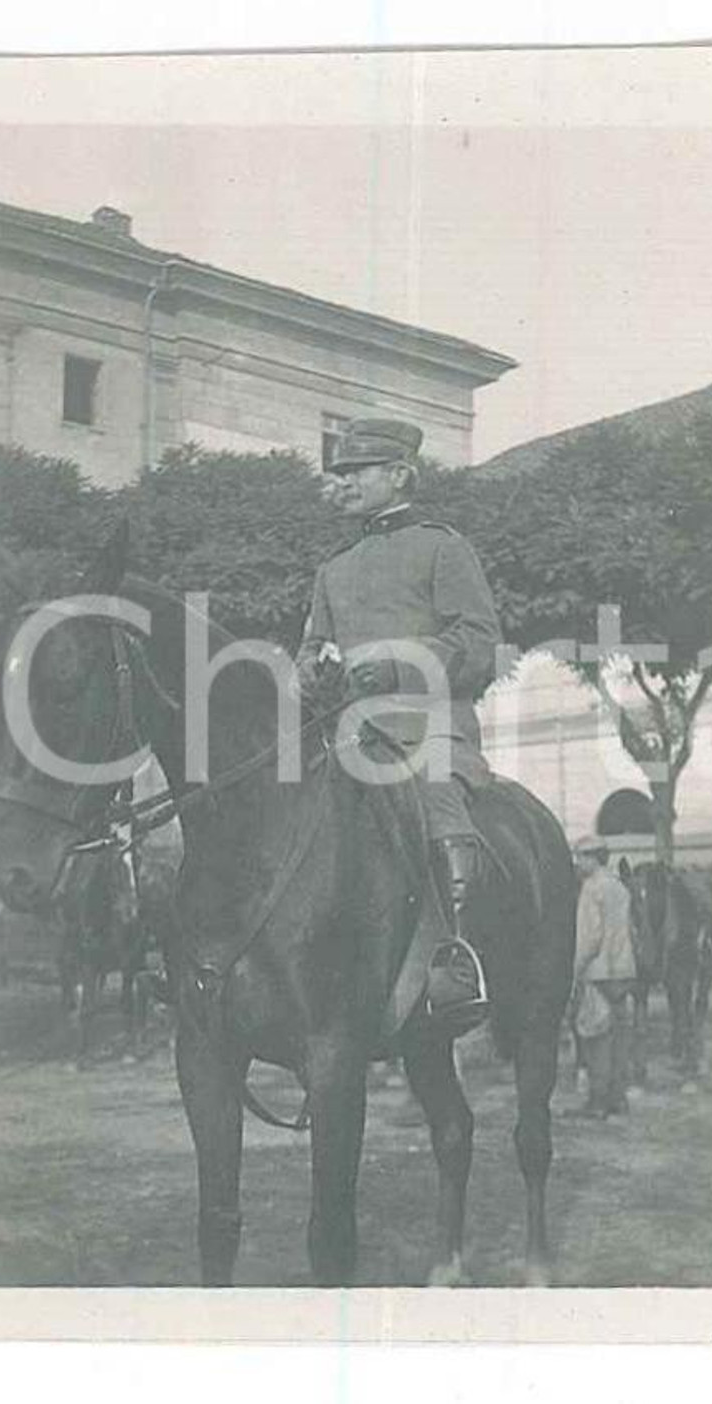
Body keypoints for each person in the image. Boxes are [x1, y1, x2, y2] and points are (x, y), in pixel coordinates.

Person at [296, 417, 503, 1029]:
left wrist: (395, 670)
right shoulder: (333, 569)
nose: (345, 483)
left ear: (399, 474)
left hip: (430, 729)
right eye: (340, 473)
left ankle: (457, 958)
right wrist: (313, 675)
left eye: (358, 471)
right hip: (351, 736)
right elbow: (310, 648)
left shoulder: (444, 547)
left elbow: (478, 640)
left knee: (437, 800)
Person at [568, 837, 637, 1118]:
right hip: (623, 970)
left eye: (581, 856)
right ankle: (618, 1099)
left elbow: (590, 937)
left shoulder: (591, 888)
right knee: (620, 1037)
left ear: (594, 857)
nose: (577, 862)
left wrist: (576, 970)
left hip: (598, 972)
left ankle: (597, 1103)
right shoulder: (619, 887)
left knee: (596, 1038)